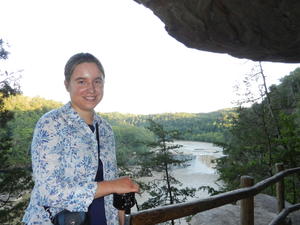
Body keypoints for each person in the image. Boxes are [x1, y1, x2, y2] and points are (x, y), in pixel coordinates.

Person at [23, 52, 139, 225]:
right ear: (67, 85)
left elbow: (112, 185)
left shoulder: (105, 129)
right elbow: (48, 191)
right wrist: (112, 185)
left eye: (97, 81)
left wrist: (121, 218)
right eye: (81, 81)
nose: (91, 89)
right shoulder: (51, 123)